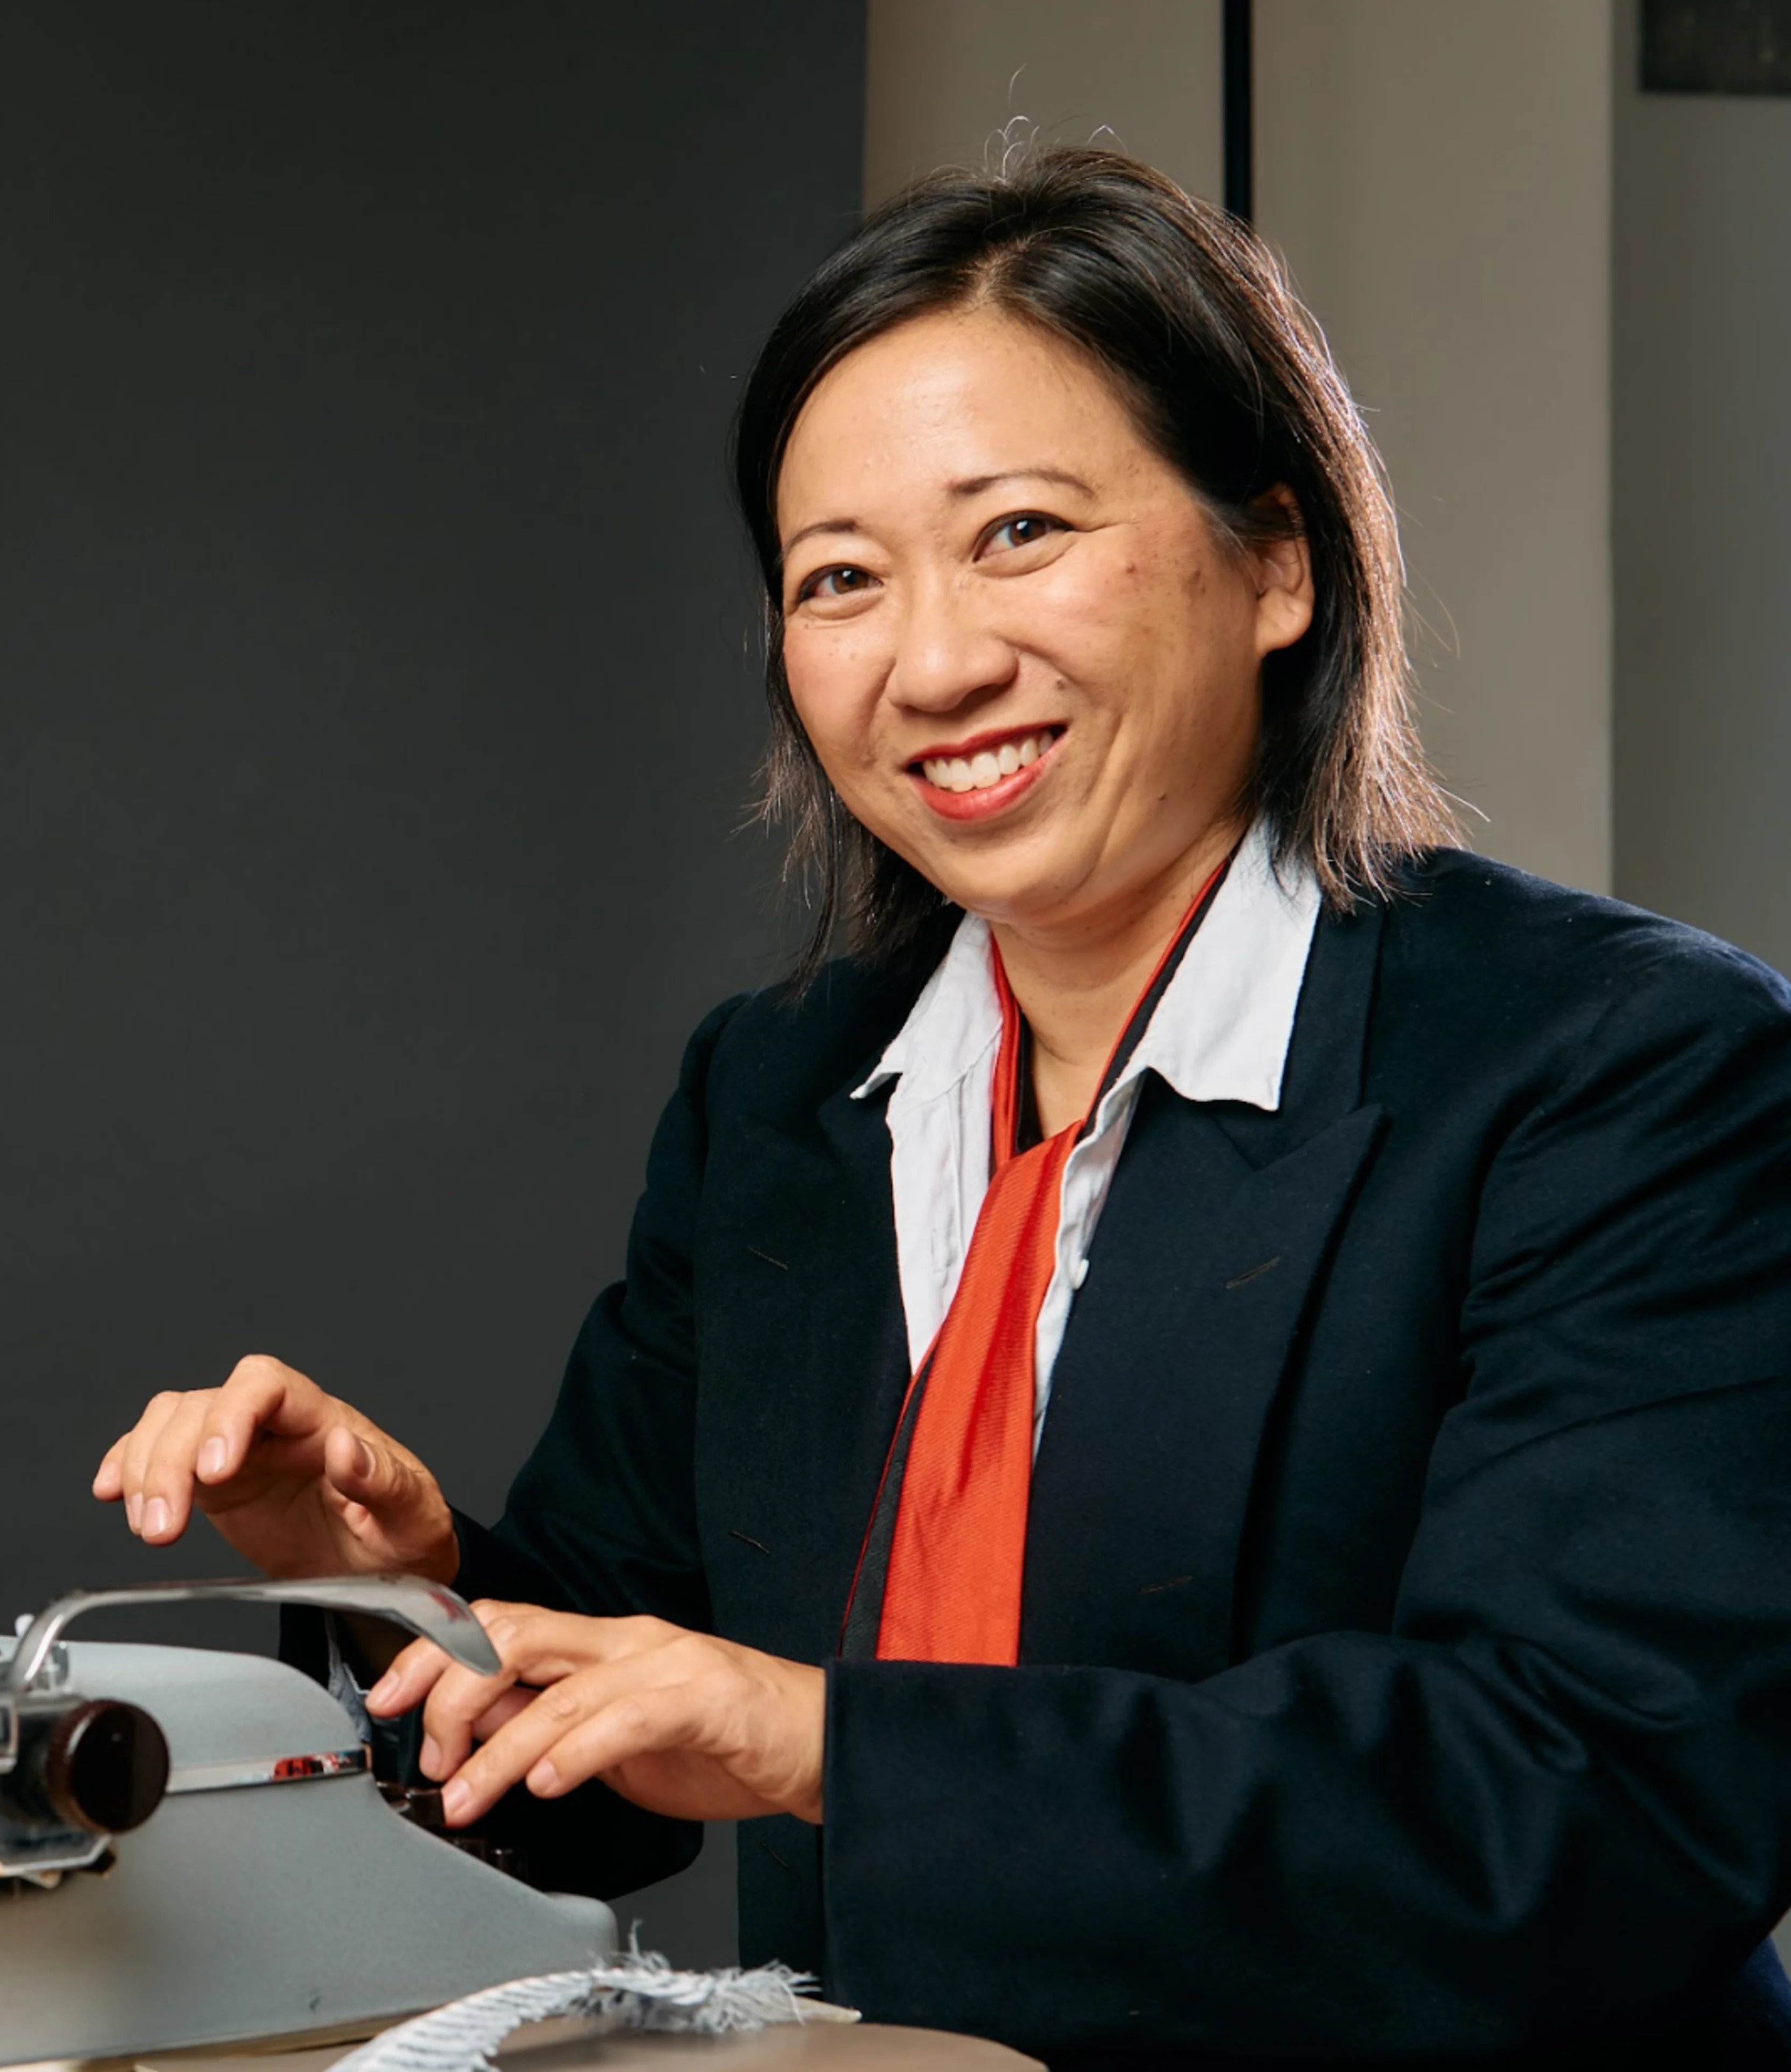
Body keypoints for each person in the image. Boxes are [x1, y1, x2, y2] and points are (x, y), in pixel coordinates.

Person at [92, 149, 1791, 2069]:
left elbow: (1594, 1805)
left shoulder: (1629, 1069)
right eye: (840, 581)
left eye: (1019, 535)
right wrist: (405, 1585)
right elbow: (617, 1769)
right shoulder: (782, 1094)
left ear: (1280, 563)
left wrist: (827, 1743)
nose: (935, 661)